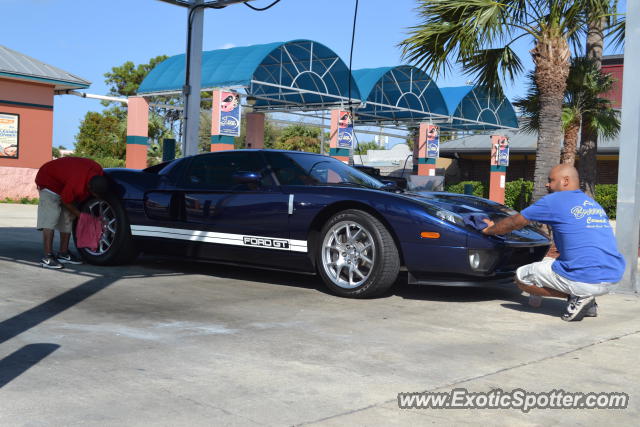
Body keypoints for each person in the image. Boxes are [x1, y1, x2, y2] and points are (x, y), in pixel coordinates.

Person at [482, 164, 625, 321]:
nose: (547, 184)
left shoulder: (554, 200)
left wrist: (490, 230)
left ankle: (579, 296)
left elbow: (515, 222)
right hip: (613, 276)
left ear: (565, 181)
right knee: (550, 259)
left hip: (585, 278)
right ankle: (586, 300)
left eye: (551, 180)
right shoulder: (591, 203)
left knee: (521, 277)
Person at [35, 157, 109, 269]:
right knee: (51, 217)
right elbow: (65, 200)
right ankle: (47, 257)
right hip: (48, 180)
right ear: (89, 187)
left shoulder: (99, 172)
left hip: (65, 180)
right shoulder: (77, 183)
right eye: (94, 194)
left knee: (68, 217)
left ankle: (63, 253)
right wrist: (82, 216)